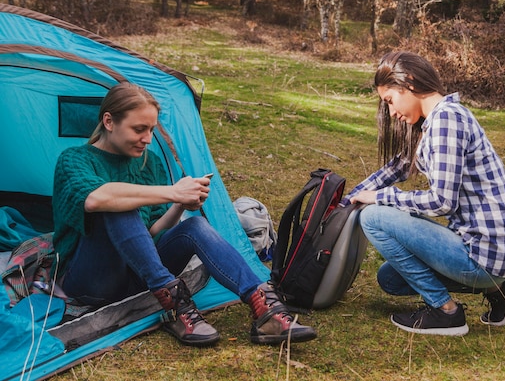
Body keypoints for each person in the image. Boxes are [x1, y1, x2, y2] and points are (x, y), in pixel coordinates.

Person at [52, 82, 316, 346]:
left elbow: (151, 231)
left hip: (139, 275)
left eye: (151, 129)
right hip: (91, 281)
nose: (147, 139)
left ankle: (264, 307)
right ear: (109, 121)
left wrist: (181, 205)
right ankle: (176, 306)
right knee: (117, 204)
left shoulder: (149, 162)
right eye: (138, 129)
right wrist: (172, 192)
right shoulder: (74, 160)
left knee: (196, 226)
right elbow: (95, 199)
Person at [342, 51, 505, 336]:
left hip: (484, 254)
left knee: (373, 218)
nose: (391, 112)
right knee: (390, 280)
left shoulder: (446, 122)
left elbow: (441, 201)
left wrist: (379, 198)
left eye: (390, 100)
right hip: (491, 253)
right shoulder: (436, 121)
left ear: (410, 83)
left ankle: (446, 313)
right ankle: (502, 287)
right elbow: (398, 167)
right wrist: (348, 200)